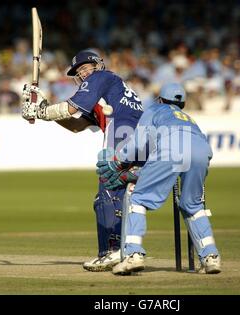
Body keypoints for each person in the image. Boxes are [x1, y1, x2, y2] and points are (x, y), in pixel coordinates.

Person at [21, 50, 143, 271]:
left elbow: (71, 107)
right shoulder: (110, 90)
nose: (83, 73)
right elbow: (76, 125)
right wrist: (44, 110)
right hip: (141, 142)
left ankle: (111, 252)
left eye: (86, 67)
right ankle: (128, 251)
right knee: (121, 198)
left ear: (98, 66)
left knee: (107, 195)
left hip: (121, 137)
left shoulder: (102, 78)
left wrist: (41, 112)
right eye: (79, 71)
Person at [96, 83, 221, 275]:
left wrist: (118, 162)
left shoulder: (154, 109)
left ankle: (133, 255)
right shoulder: (188, 117)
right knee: (193, 205)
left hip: (172, 147)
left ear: (160, 99)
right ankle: (210, 257)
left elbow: (138, 142)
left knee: (137, 199)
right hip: (202, 151)